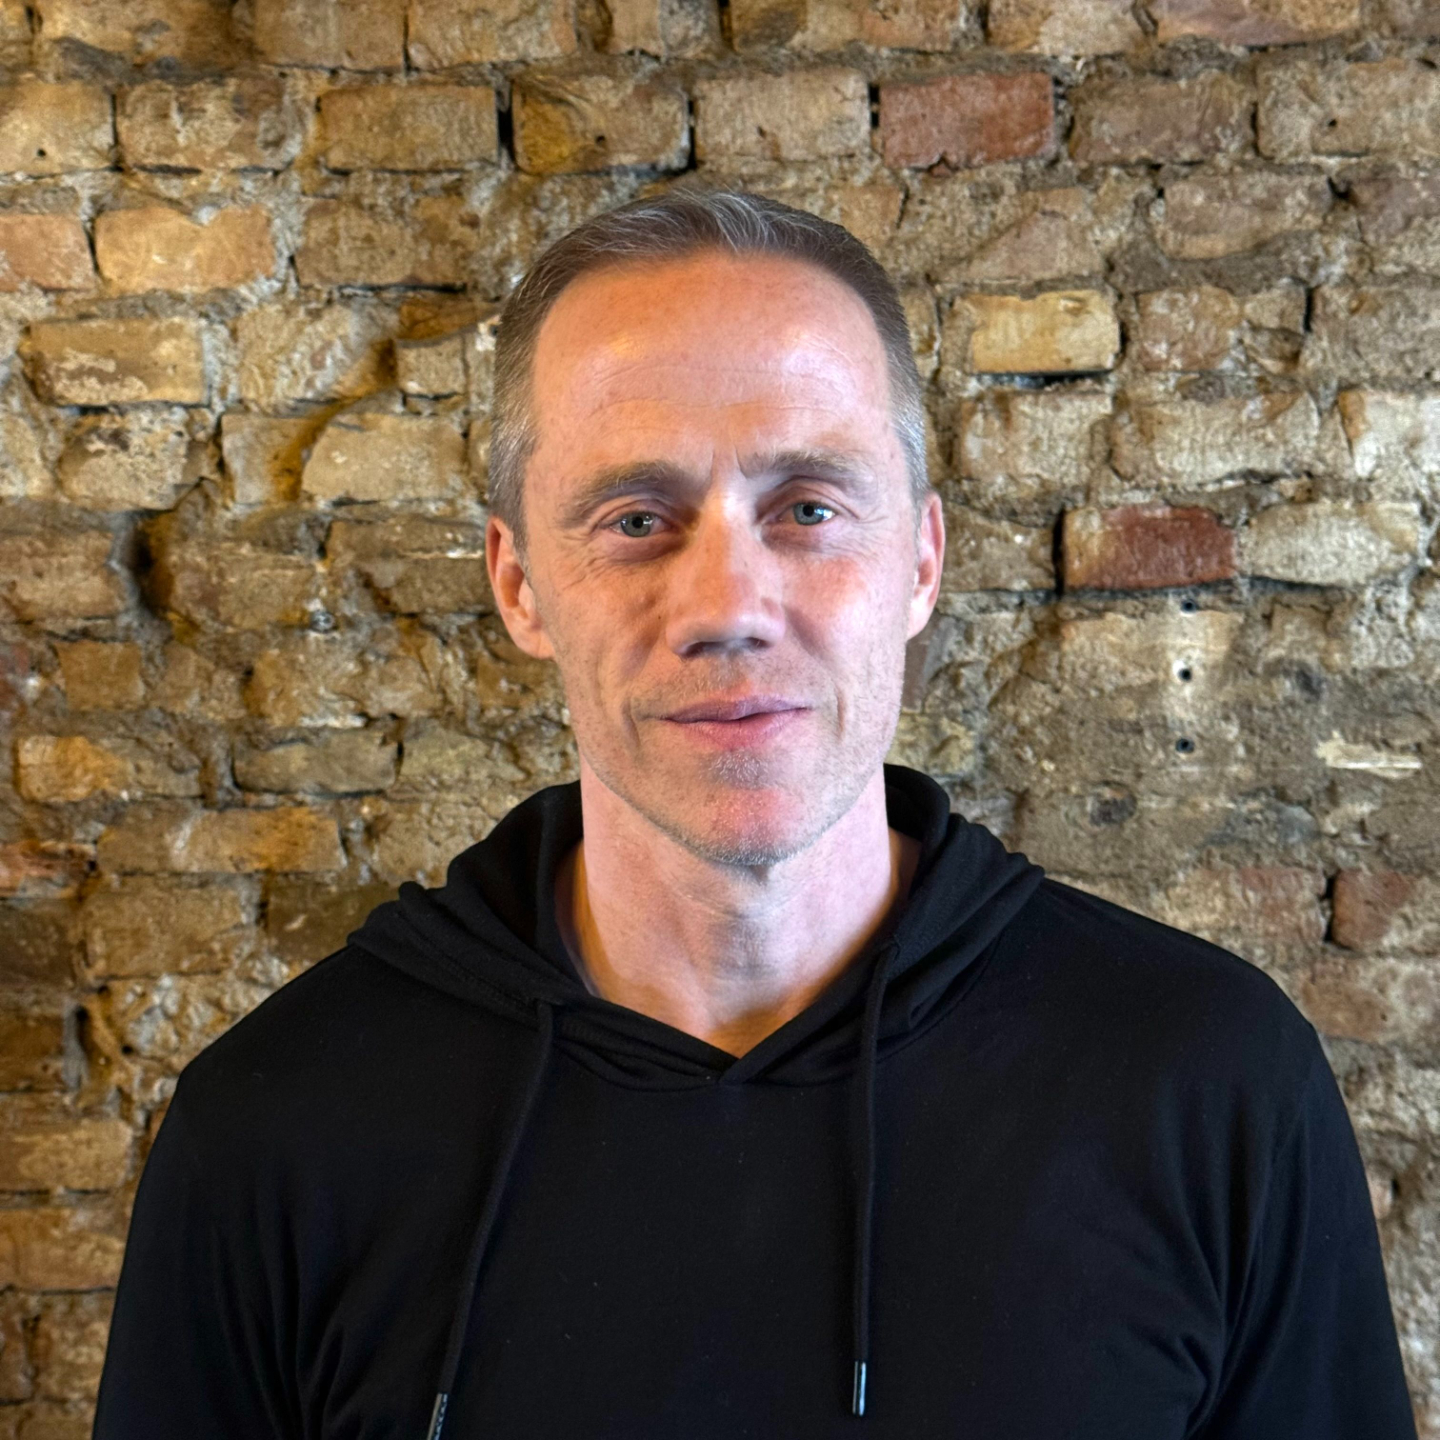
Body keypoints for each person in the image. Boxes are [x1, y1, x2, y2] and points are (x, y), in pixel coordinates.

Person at [93, 189, 1416, 1439]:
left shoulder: (1211, 1087)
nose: (727, 605)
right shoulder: (274, 1135)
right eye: (636, 519)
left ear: (921, 560)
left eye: (808, 508)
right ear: (518, 584)